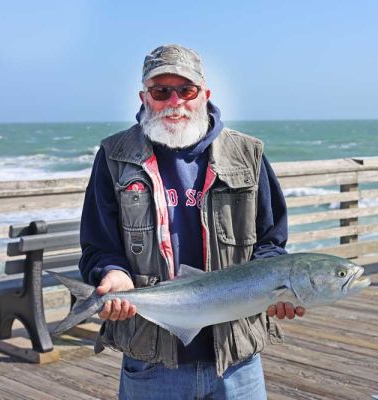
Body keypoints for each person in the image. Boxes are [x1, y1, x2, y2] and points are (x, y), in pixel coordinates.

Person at [79, 44, 305, 400]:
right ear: (143, 97)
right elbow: (98, 245)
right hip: (151, 362)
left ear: (205, 94)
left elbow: (271, 243)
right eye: (161, 91)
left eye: (186, 90)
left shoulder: (248, 155)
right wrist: (112, 273)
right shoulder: (114, 156)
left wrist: (275, 288)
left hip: (237, 360)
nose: (175, 101)